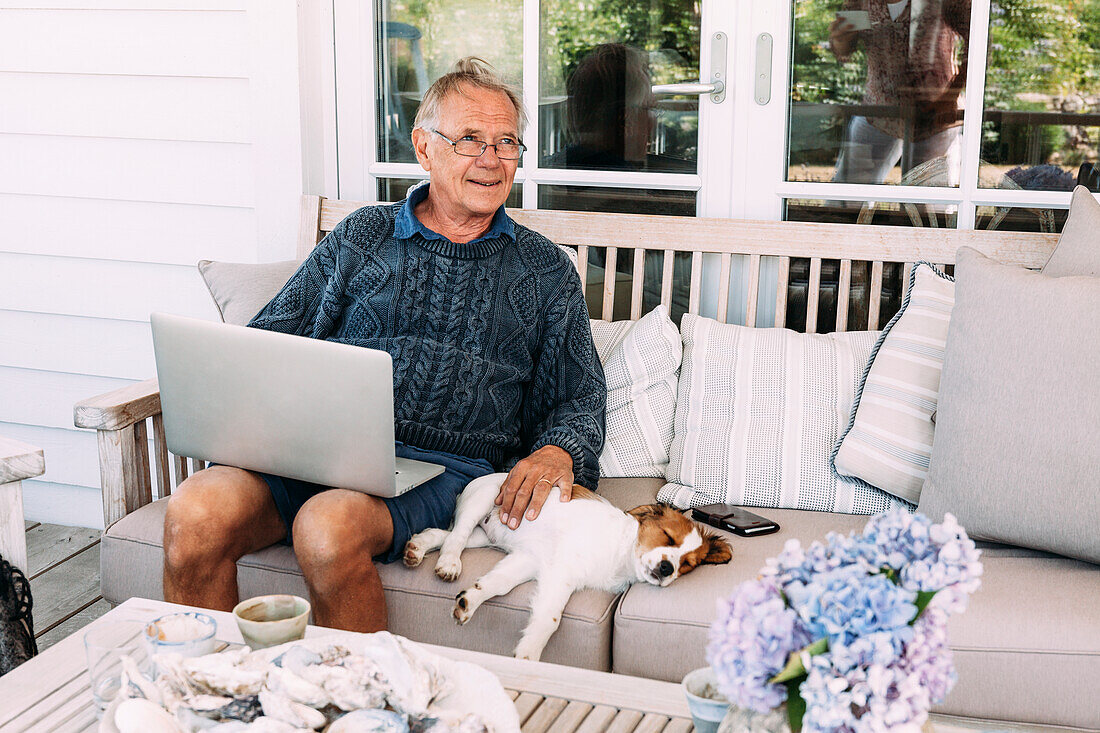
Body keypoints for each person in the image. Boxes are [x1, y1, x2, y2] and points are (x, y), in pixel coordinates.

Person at [161, 58, 607, 633]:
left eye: (506, 143)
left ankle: (356, 709)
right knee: (195, 512)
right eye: (470, 139)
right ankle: (211, 700)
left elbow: (580, 392)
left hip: (444, 470)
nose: (492, 160)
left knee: (326, 527)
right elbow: (270, 341)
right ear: (424, 147)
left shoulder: (544, 270)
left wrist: (558, 451)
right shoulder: (360, 238)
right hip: (314, 454)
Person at [829, 0, 970, 185]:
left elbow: (980, 41)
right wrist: (839, 40)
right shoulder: (860, 1)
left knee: (924, 205)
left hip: (935, 116)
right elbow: (844, 49)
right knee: (845, 196)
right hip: (877, 110)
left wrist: (950, 95)